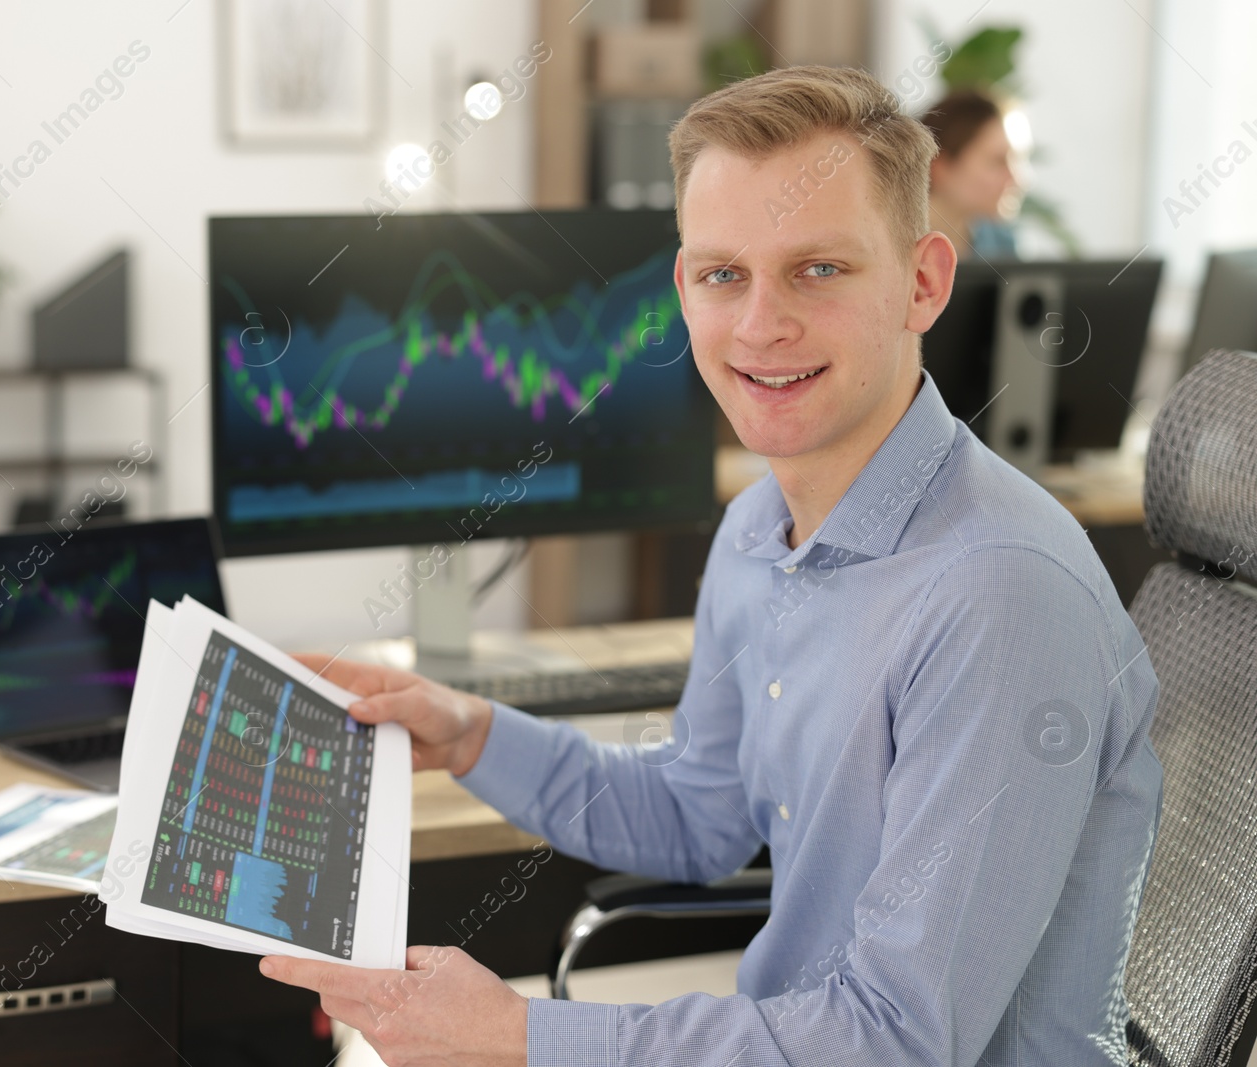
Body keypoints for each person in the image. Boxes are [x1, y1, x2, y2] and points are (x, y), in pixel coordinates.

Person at [261, 64, 1162, 1067]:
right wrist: (469, 731)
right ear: (684, 287)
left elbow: (895, 1039)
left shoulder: (997, 595)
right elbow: (696, 814)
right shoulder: (754, 529)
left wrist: (524, 1036)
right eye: (722, 273)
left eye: (818, 269)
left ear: (922, 282)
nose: (759, 323)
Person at [920, 89, 1022, 259]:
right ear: (939, 166)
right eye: (997, 162)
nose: (1014, 179)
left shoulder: (1001, 245)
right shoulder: (889, 245)